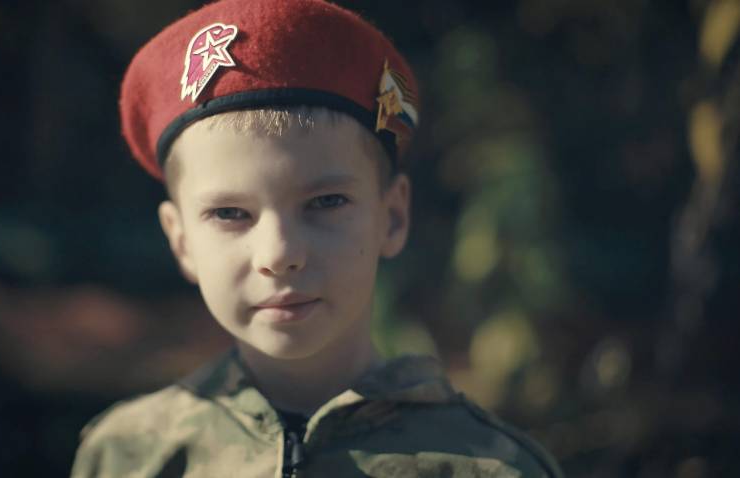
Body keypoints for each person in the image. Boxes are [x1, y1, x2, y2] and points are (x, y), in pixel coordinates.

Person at [71, 0, 563, 476]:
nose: (280, 254)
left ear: (392, 218)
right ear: (181, 242)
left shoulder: (488, 468)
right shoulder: (129, 456)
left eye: (326, 202)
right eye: (229, 213)